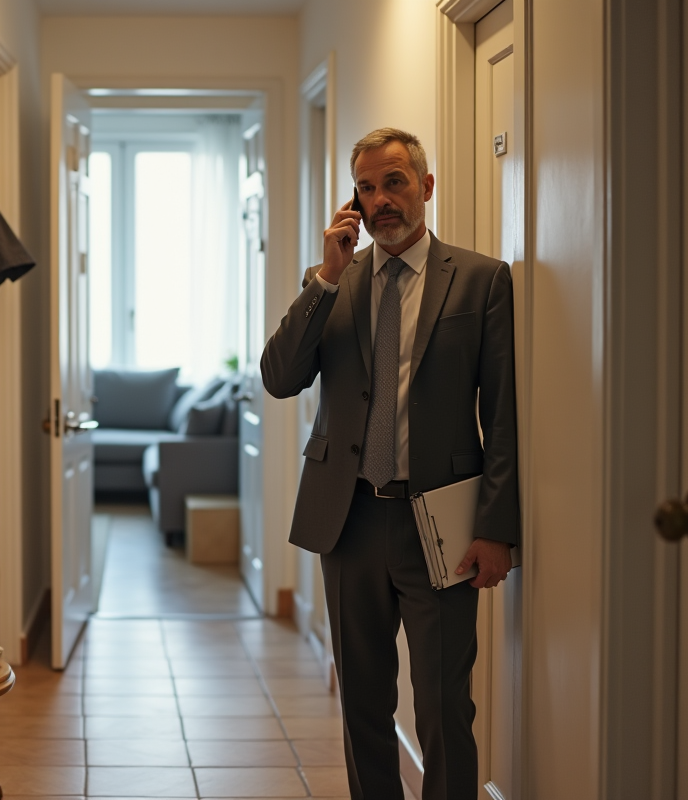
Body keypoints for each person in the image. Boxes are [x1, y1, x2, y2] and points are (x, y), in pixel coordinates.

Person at [261, 128, 520, 800]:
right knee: (362, 706)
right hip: (346, 522)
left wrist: (496, 528)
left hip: (441, 525)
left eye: (394, 182)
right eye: (366, 188)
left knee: (443, 708)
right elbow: (280, 377)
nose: (380, 200)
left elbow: (503, 415)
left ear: (425, 186)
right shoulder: (331, 283)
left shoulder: (482, 279)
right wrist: (325, 277)